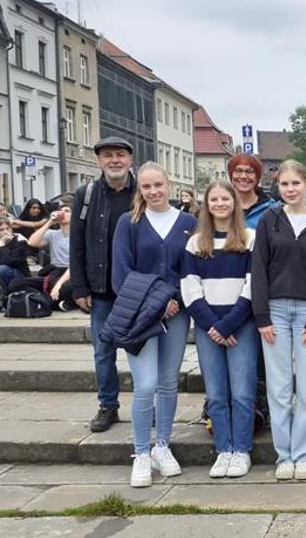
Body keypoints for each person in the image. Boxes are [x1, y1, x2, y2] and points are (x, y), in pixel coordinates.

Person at [112, 161, 197, 488]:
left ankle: (162, 444)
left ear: (169, 185)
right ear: (140, 189)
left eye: (158, 185)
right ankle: (141, 452)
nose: (153, 191)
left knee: (168, 382)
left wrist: (174, 301)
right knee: (145, 384)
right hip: (140, 315)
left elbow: (192, 268)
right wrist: (157, 302)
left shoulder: (188, 222)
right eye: (146, 186)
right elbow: (122, 273)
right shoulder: (129, 222)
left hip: (177, 313)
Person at [251, 160, 306, 481]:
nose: (290, 189)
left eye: (295, 183)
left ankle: (305, 453)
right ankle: (284, 454)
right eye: (284, 184)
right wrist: (262, 315)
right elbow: (258, 268)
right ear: (278, 186)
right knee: (280, 388)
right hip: (275, 312)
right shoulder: (269, 220)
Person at [181, 180, 258, 479]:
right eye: (214, 199)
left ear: (234, 203)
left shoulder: (249, 239)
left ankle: (241, 450)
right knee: (216, 393)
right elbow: (190, 288)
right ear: (207, 205)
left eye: (226, 199)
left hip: (241, 324)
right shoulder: (196, 243)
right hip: (208, 327)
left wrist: (229, 323)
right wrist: (213, 325)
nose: (220, 204)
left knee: (242, 392)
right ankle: (223, 449)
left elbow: (253, 284)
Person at [71, 136, 137, 433]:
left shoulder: (142, 192)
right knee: (103, 352)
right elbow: (77, 244)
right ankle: (108, 405)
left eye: (120, 155)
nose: (114, 160)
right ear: (99, 161)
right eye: (108, 155)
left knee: (141, 351)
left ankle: (145, 405)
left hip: (136, 291)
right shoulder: (86, 195)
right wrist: (79, 287)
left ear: (130, 160)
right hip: (101, 290)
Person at [27, 201, 74, 308]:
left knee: (65, 288)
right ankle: (54, 301)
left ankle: (51, 301)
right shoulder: (52, 234)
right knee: (15, 284)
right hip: (55, 272)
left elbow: (76, 264)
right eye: (60, 210)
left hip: (72, 272)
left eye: (67, 211)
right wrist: (49, 222)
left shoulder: (78, 235)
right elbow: (32, 242)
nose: (62, 213)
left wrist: (59, 284)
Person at [0, 217, 30, 299]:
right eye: (1, 230)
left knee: (2, 269)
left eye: (8, 228)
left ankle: (9, 296)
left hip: (19, 275)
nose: (6, 232)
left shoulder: (20, 241)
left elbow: (8, 262)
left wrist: (2, 246)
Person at [229, 154, 275, 230]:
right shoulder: (221, 207)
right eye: (238, 171)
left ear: (257, 177)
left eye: (249, 171)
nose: (243, 176)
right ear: (231, 175)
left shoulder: (272, 210)